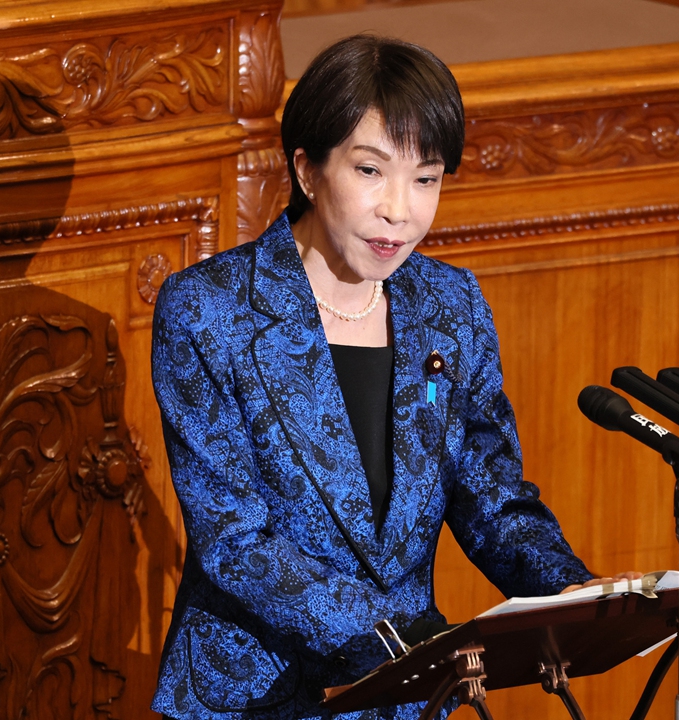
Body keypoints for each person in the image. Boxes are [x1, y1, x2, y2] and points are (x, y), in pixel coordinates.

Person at [151, 34, 636, 720]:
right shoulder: (209, 311)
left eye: (426, 178)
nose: (399, 210)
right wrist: (395, 637)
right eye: (371, 171)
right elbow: (236, 540)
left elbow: (489, 492)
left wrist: (574, 593)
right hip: (257, 696)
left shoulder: (451, 308)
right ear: (308, 169)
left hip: (405, 698)